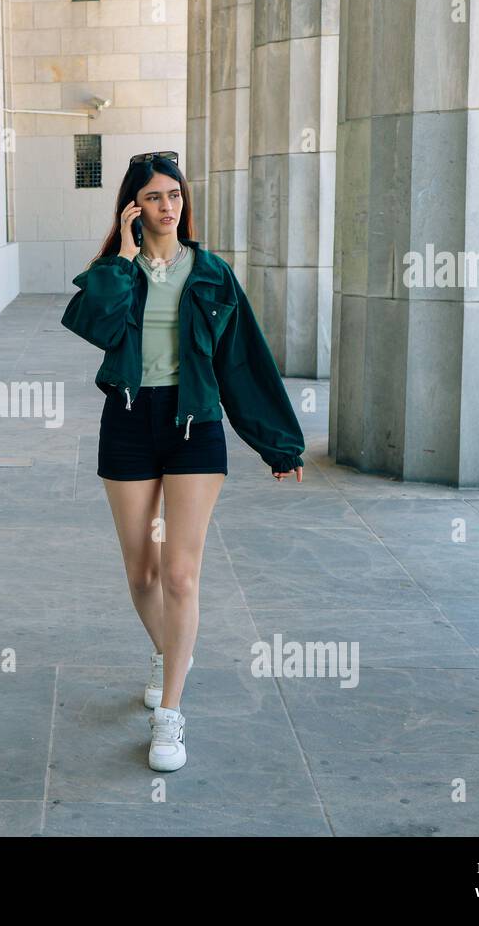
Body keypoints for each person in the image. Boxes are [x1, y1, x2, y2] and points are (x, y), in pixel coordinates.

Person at [61, 151, 306, 772]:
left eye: (174, 195)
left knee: (180, 576)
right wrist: (121, 256)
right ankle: (168, 651)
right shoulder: (113, 271)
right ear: (132, 207)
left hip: (194, 427)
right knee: (142, 575)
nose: (167, 206)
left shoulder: (212, 273)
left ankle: (171, 711)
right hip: (128, 423)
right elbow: (94, 325)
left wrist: (278, 444)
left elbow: (243, 362)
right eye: (153, 197)